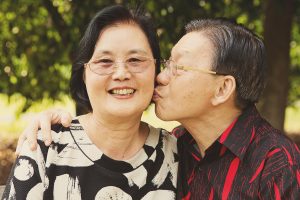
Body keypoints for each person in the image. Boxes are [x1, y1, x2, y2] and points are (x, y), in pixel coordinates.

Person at [14, 18, 300, 199]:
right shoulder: (179, 146)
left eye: (178, 68)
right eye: (166, 64)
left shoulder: (276, 164)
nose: (160, 78)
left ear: (223, 88)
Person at [2, 5, 178, 200]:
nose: (121, 74)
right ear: (84, 74)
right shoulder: (46, 147)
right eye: (105, 61)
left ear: (156, 69)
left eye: (135, 59)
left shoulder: (175, 154)